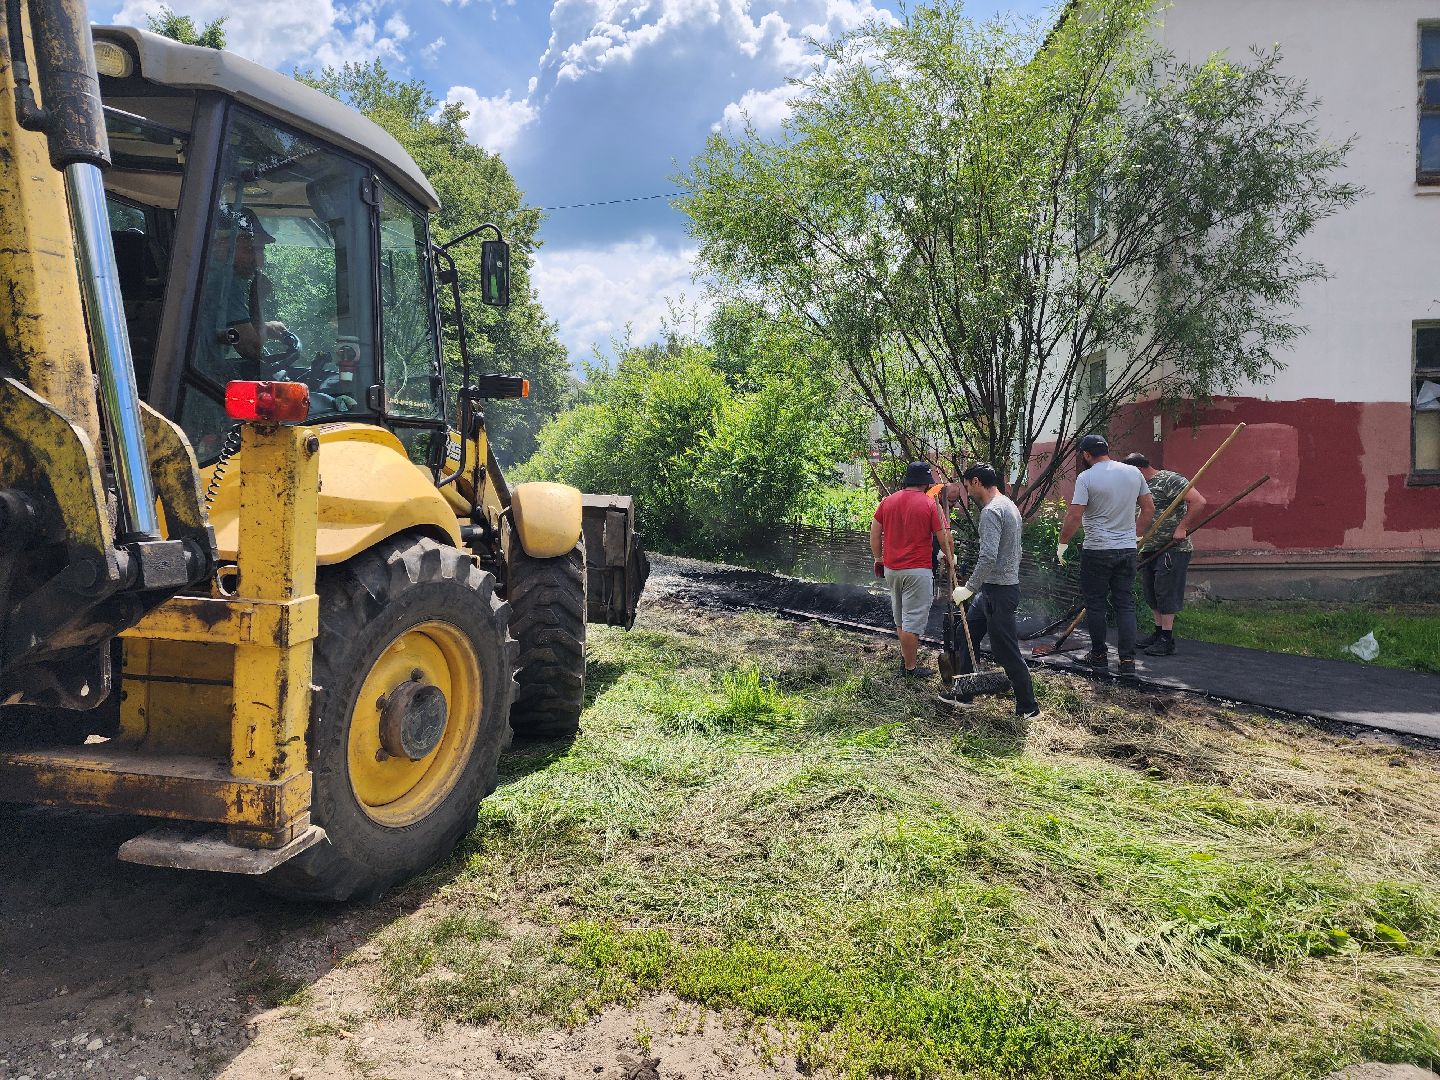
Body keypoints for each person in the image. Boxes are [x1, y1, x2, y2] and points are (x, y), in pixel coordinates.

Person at [942, 463, 1040, 719]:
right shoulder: (1008, 505)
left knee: (1005, 649)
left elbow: (987, 557)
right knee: (967, 633)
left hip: (999, 591)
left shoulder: (991, 512)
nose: (967, 492)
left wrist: (969, 588)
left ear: (976, 481)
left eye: (966, 486)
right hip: (993, 590)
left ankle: (1029, 708)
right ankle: (964, 694)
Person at [1056, 434, 1155, 675]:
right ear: (1107, 450)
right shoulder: (1134, 473)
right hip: (1126, 550)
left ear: (1086, 455)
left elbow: (1074, 516)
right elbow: (1149, 508)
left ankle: (1099, 656)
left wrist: (1062, 543)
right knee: (1125, 604)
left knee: (1096, 604)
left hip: (1098, 550)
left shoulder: (1087, 477)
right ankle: (1128, 661)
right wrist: (1136, 535)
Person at [872, 461, 955, 678]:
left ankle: (906, 660)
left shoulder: (887, 502)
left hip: (892, 569)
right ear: (926, 483)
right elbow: (944, 537)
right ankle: (910, 668)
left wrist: (878, 558)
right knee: (912, 620)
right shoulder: (929, 505)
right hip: (917, 571)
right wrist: (950, 557)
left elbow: (874, 532)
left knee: (901, 618)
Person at [1122, 453, 1206, 656]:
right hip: (1148, 547)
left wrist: (1182, 528)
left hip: (1171, 548)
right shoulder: (1138, 486)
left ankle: (1167, 639)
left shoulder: (1170, 479)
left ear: (1138, 470)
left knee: (1165, 592)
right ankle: (1158, 633)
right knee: (1152, 592)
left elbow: (1199, 501)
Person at [203, 206, 288, 371]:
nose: (259, 261)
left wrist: (266, 328)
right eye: (249, 249)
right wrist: (257, 298)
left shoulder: (206, 271)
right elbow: (252, 349)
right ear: (219, 246)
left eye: (261, 250)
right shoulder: (225, 282)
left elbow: (234, 330)